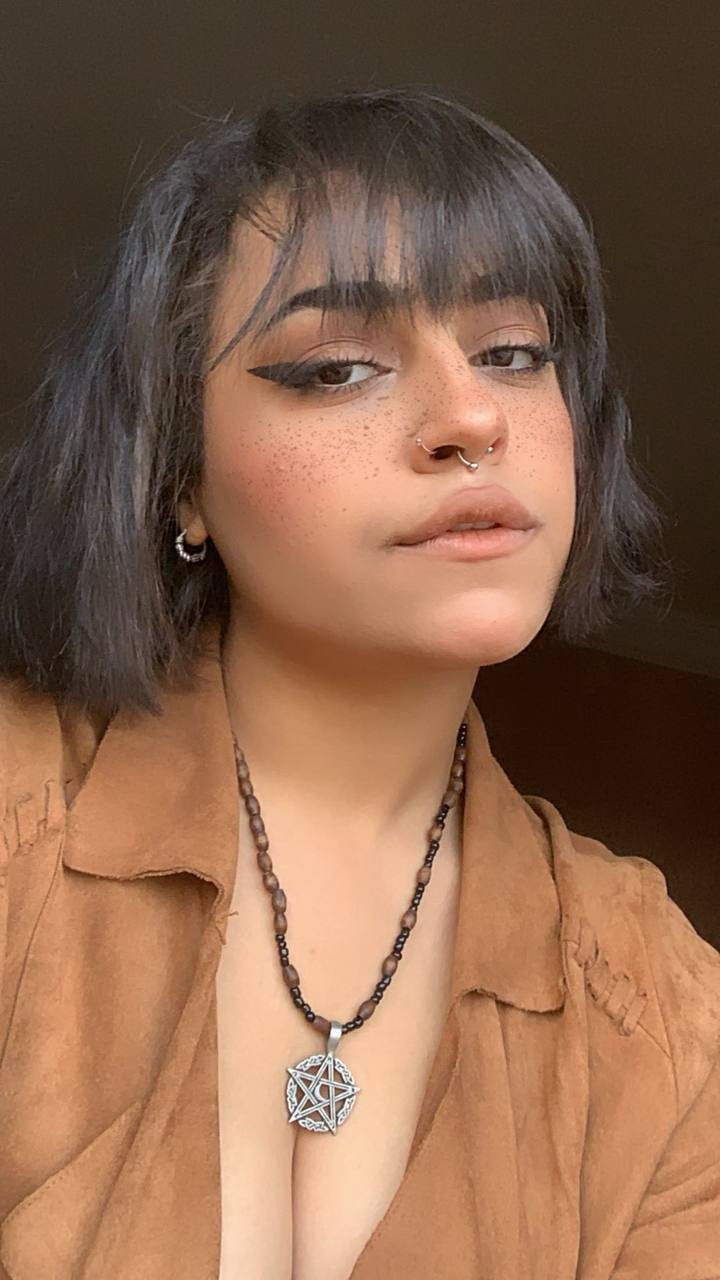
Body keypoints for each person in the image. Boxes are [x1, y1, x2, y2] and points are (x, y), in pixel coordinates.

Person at [0, 86, 717, 1280]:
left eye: (514, 353)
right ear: (182, 479)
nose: (472, 416)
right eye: (336, 368)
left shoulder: (668, 1015)